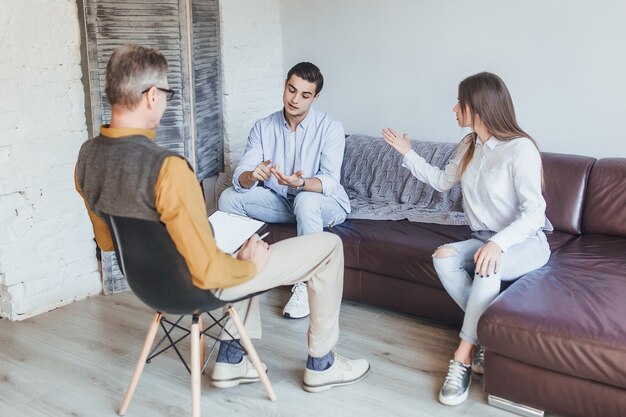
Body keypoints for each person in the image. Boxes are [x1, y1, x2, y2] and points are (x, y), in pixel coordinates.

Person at [75, 44, 369, 393]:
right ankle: (322, 364)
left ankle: (232, 359)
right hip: (198, 286)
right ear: (152, 97)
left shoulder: (86, 158)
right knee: (328, 246)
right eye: (167, 92)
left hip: (148, 289)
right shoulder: (168, 169)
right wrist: (250, 266)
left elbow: (108, 243)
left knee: (236, 239)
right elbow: (210, 270)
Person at [382, 72, 551, 406]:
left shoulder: (520, 149)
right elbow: (442, 181)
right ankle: (487, 337)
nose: (454, 107)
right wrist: (407, 153)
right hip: (483, 238)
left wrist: (498, 244)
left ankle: (463, 355)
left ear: (477, 107)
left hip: (525, 241)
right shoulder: (468, 145)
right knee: (443, 256)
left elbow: (534, 212)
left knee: (487, 265)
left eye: (460, 102)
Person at [218, 62, 350, 320]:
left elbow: (329, 181)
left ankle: (306, 285)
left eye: (305, 95)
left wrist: (299, 183)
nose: (295, 99)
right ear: (285, 86)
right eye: (292, 90)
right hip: (281, 202)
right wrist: (250, 176)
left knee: (306, 201)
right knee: (229, 197)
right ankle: (235, 274)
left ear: (316, 97)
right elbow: (241, 175)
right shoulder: (263, 127)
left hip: (324, 202)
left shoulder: (330, 128)